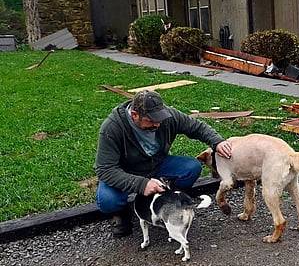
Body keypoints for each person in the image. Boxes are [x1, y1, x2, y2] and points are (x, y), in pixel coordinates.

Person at [94, 89, 233, 238]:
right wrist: (141, 184)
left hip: (156, 164)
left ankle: (170, 200)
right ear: (134, 115)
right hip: (125, 171)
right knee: (108, 201)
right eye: (151, 120)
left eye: (159, 118)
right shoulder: (112, 128)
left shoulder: (167, 116)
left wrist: (217, 141)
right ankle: (121, 213)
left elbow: (196, 127)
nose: (158, 124)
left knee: (191, 168)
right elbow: (105, 169)